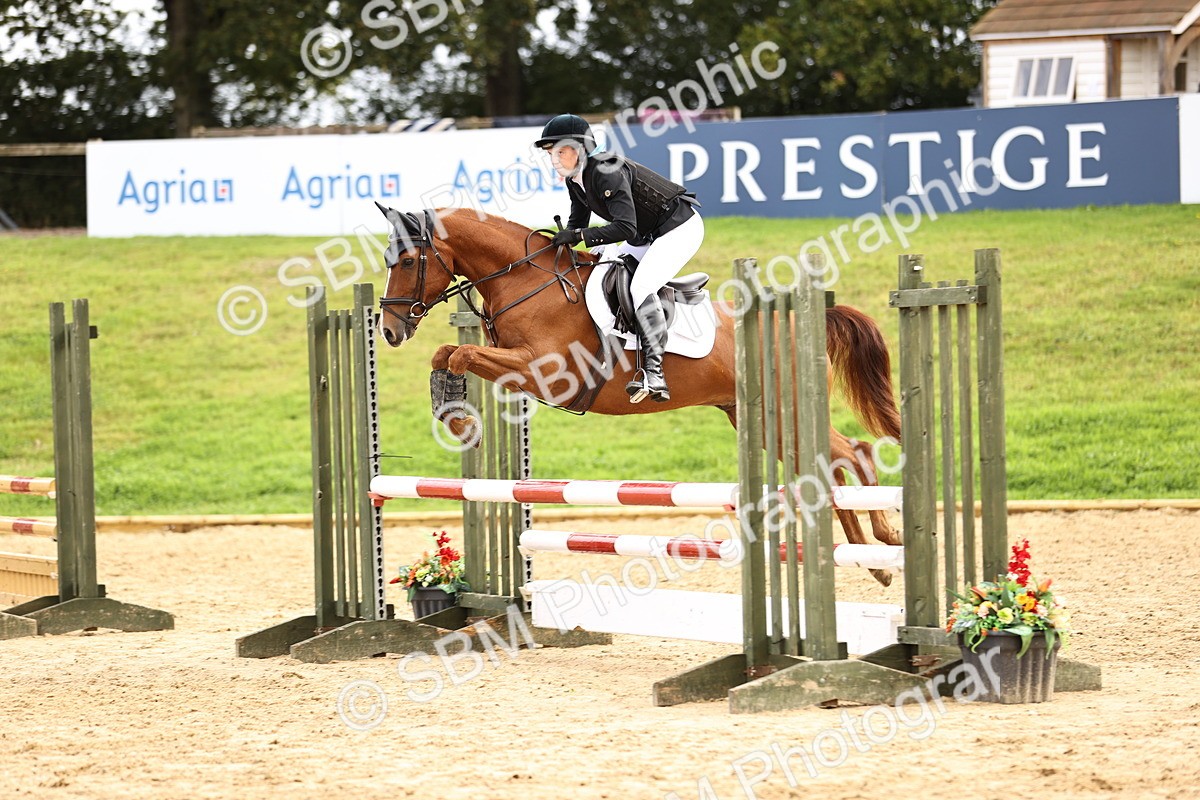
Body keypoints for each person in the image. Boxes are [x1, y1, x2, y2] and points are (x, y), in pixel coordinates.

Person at [535, 113, 704, 404]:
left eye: (561, 151)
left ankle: (654, 372)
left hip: (678, 229)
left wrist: (578, 238)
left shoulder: (605, 171)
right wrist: (560, 246)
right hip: (646, 236)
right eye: (552, 153)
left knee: (641, 287)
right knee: (604, 272)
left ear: (581, 149)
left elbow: (626, 228)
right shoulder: (576, 179)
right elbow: (578, 221)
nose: (555, 159)